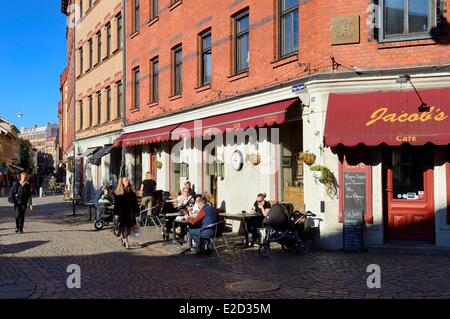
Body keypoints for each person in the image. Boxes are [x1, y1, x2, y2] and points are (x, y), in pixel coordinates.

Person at [113, 177, 139, 250]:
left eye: (128, 180)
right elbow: (117, 204)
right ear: (122, 182)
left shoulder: (131, 191)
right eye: (126, 180)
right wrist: (116, 214)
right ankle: (126, 241)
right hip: (122, 213)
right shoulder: (119, 192)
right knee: (125, 227)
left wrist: (137, 211)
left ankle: (123, 237)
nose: (128, 181)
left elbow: (135, 202)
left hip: (131, 212)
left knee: (129, 228)